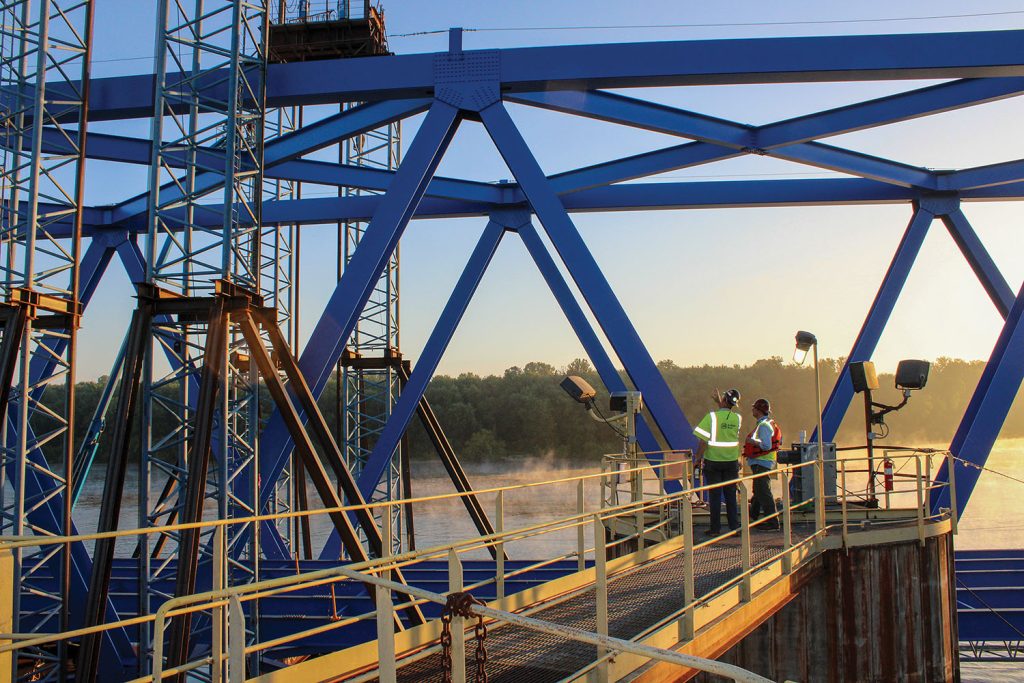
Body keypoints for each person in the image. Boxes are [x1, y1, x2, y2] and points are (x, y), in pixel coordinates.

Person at [693, 388, 742, 537]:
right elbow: (725, 417)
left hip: (713, 462)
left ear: (724, 400)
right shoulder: (737, 418)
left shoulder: (711, 417)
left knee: (714, 497)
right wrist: (721, 403)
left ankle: (715, 529)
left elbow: (703, 442)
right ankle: (734, 527)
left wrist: (697, 459)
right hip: (731, 462)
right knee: (730, 496)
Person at [744, 398, 781, 531]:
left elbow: (766, 445)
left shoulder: (764, 426)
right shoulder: (767, 423)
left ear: (759, 411)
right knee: (758, 490)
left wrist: (751, 441)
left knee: (763, 492)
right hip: (763, 462)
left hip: (762, 463)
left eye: (754, 408)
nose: (752, 410)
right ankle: (753, 517)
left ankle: (773, 523)